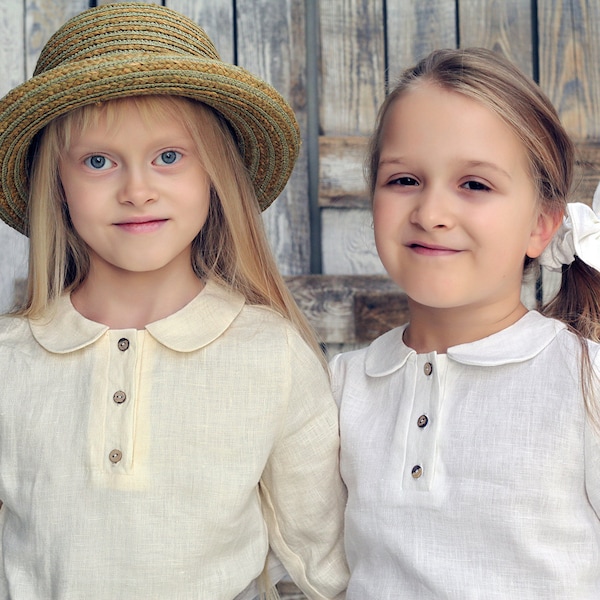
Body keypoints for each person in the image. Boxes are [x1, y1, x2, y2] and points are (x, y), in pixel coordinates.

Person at [0, 4, 348, 599]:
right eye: (98, 161)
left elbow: (325, 565)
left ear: (213, 174)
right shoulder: (11, 359)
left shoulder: (270, 354)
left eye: (168, 156)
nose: (137, 191)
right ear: (55, 182)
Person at [330, 47, 600, 599]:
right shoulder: (341, 387)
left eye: (475, 185)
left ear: (541, 225)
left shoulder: (586, 382)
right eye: (404, 179)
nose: (431, 213)